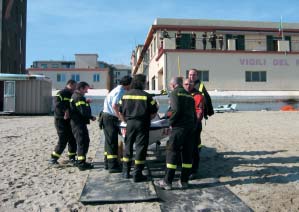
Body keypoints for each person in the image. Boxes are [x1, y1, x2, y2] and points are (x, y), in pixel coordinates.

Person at [155, 77, 196, 190]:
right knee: (187, 155)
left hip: (179, 128)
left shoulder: (175, 93)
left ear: (173, 85)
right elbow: (193, 113)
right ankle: (184, 181)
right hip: (190, 128)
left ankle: (167, 182)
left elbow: (175, 110)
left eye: (170, 85)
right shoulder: (190, 96)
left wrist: (169, 123)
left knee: (172, 152)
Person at [119, 74, 158, 182]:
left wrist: (126, 121)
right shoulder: (148, 96)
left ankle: (126, 172)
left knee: (128, 146)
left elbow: (120, 111)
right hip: (143, 123)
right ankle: (137, 174)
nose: (146, 84)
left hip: (130, 123)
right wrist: (147, 119)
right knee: (141, 148)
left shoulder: (125, 95)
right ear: (141, 83)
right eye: (145, 82)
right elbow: (154, 113)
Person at [102, 75, 132, 173]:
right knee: (112, 141)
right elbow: (115, 105)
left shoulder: (116, 89)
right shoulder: (121, 91)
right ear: (128, 84)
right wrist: (121, 118)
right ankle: (112, 166)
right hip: (110, 117)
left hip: (106, 116)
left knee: (108, 141)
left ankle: (107, 163)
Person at [70, 81, 96, 171]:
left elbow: (81, 109)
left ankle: (81, 161)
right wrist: (91, 116)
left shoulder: (77, 97)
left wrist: (86, 102)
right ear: (81, 88)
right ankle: (81, 164)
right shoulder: (79, 97)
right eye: (86, 89)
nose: (87, 91)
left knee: (84, 141)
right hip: (78, 124)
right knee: (82, 142)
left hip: (78, 123)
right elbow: (83, 111)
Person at [49, 80, 77, 165]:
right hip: (60, 120)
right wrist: (66, 110)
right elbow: (56, 104)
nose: (75, 88)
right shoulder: (61, 93)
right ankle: (53, 159)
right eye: (74, 86)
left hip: (69, 120)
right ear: (70, 84)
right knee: (63, 139)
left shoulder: (72, 94)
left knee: (72, 139)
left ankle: (72, 158)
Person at [183, 78, 205, 180]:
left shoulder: (198, 95)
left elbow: (199, 112)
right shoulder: (182, 94)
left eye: (190, 84)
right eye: (186, 84)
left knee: (194, 149)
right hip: (184, 126)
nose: (188, 85)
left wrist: (194, 124)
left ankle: (194, 170)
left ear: (193, 85)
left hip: (194, 126)